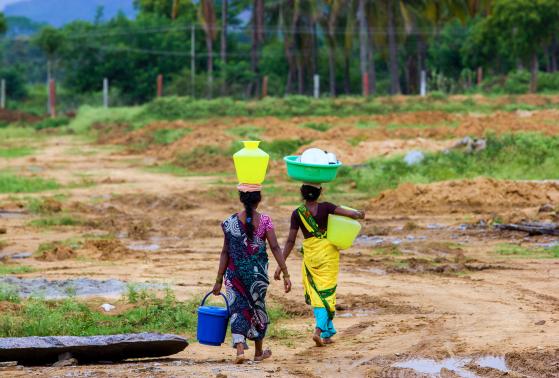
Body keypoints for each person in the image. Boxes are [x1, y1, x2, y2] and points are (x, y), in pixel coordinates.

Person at [275, 183, 364, 346]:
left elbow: (290, 241)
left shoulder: (297, 213)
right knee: (327, 294)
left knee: (318, 294)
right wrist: (359, 213)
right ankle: (318, 330)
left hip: (311, 257)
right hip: (328, 256)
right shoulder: (327, 207)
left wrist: (280, 265)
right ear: (320, 192)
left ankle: (327, 334)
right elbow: (351, 214)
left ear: (301, 194)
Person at [213, 184, 292, 364]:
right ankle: (258, 353)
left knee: (236, 310)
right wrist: (286, 273)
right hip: (258, 277)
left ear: (241, 199)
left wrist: (218, 280)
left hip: (235, 276)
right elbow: (275, 247)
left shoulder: (229, 222)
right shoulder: (265, 221)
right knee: (257, 309)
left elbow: (225, 252)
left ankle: (240, 350)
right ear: (259, 199)